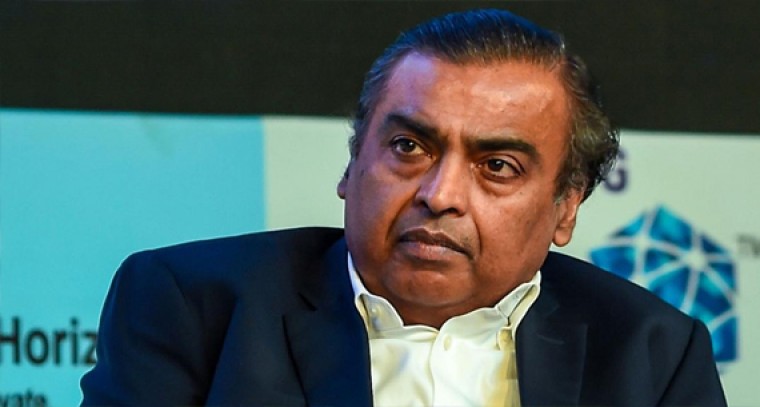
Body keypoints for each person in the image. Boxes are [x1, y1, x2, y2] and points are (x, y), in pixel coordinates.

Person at [80, 8, 727, 407]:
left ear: (566, 208)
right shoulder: (195, 309)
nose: (439, 195)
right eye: (409, 147)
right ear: (351, 163)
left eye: (497, 167)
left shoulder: (650, 353)